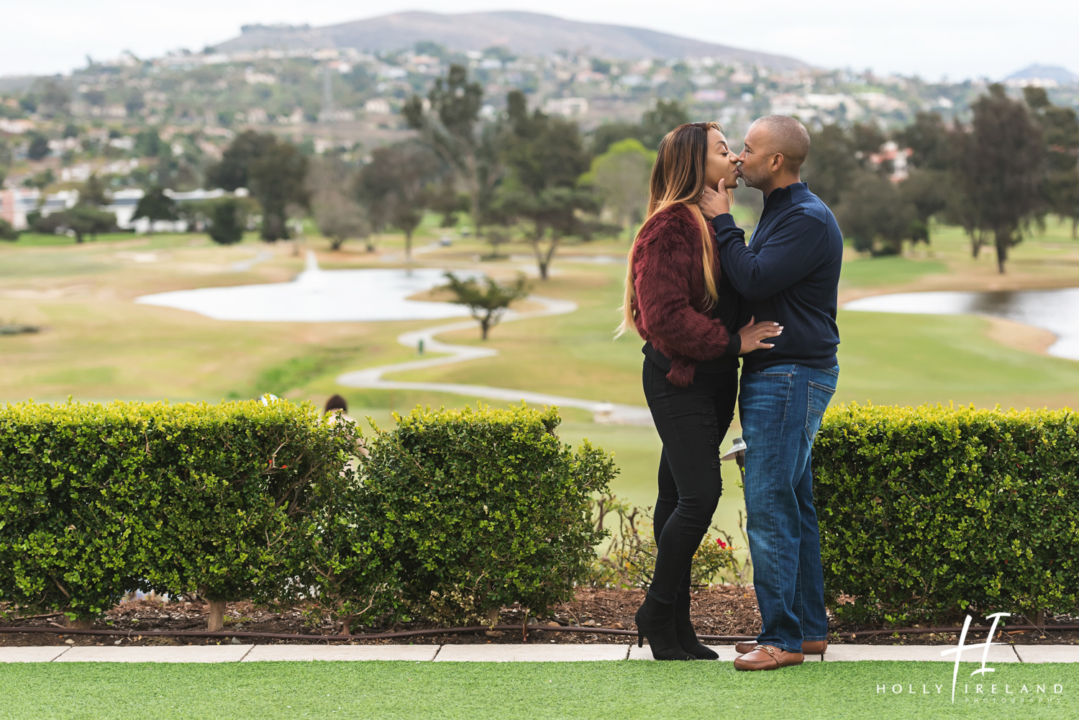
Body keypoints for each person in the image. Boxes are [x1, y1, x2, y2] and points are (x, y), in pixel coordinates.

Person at [617, 122, 783, 661]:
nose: (735, 157)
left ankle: (675, 628)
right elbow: (662, 317)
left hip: (710, 379)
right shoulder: (670, 228)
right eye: (722, 150)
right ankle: (656, 611)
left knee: (673, 498)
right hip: (678, 378)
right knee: (699, 496)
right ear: (695, 164)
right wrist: (732, 342)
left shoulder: (711, 222)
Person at [699, 115, 844, 672]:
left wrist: (722, 223)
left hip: (789, 376)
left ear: (776, 162)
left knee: (768, 508)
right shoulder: (785, 213)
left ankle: (781, 640)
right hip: (784, 375)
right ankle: (807, 631)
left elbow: (754, 279)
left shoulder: (804, 219)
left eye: (749, 150)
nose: (739, 158)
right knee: (794, 504)